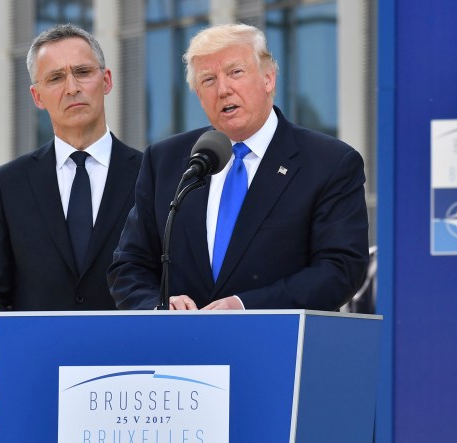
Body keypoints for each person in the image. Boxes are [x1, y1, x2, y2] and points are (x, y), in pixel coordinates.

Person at [108, 23, 368, 311]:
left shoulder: (329, 163)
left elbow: (341, 269)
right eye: (208, 80)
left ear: (268, 79)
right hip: (181, 348)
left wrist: (245, 306)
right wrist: (158, 307)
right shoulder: (165, 161)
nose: (223, 89)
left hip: (276, 346)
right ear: (198, 95)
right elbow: (129, 265)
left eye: (235, 73)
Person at [0, 24, 142, 443]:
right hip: (31, 396)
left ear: (107, 80)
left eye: (82, 72)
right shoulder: (9, 183)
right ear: (37, 96)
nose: (72, 87)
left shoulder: (151, 177)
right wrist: (19, 368)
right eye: (56, 78)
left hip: (129, 399)